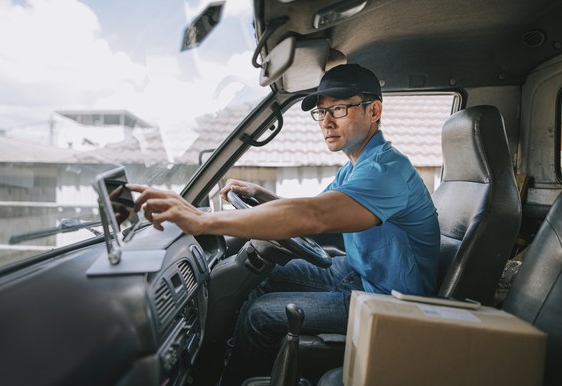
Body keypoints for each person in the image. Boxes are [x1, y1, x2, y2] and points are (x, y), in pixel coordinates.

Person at [128, 63, 440, 385]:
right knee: (260, 278)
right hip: (356, 273)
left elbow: (312, 217)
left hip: (386, 300)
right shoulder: (358, 166)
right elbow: (313, 209)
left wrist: (202, 220)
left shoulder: (384, 172)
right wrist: (259, 194)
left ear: (374, 110)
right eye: (322, 112)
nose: (327, 122)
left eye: (340, 109)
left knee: (260, 314)